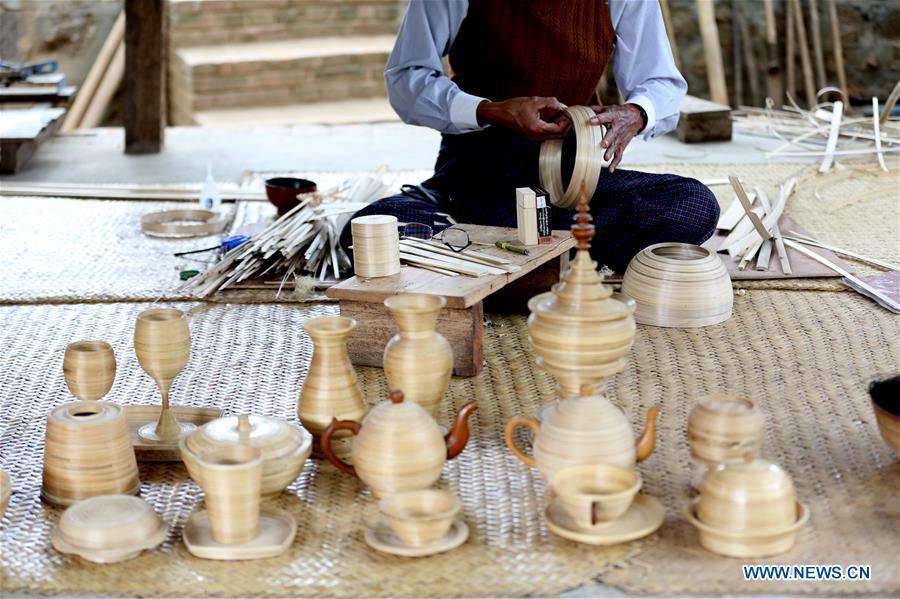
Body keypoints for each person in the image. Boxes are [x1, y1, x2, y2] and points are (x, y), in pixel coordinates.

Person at [340, 0, 720, 272]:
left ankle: (507, 259)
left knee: (694, 204)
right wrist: (490, 109)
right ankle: (562, 257)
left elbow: (659, 83)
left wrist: (636, 113)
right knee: (369, 231)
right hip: (478, 180)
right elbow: (406, 79)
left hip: (576, 186)